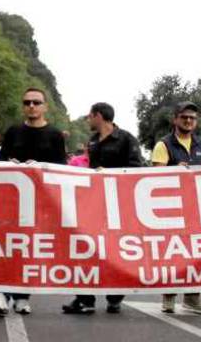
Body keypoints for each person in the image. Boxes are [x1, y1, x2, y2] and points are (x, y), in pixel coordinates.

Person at [0, 88, 66, 316]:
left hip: (39, 205)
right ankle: (0, 294)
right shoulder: (13, 132)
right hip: (9, 202)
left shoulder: (55, 135)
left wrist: (39, 167)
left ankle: (21, 296)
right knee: (5, 247)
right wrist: (8, 163)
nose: (31, 106)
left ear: (45, 107)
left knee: (27, 250)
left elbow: (62, 169)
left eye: (36, 102)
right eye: (27, 102)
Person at [62, 102, 143, 315]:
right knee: (88, 249)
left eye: (90, 116)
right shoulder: (92, 141)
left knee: (117, 252)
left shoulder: (126, 139)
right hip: (95, 204)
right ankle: (84, 299)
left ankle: (115, 296)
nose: (88, 120)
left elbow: (137, 169)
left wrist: (108, 173)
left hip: (120, 206)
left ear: (99, 116)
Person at [150, 101, 201, 315]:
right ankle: (169, 297)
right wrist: (173, 171)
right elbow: (154, 177)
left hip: (194, 209)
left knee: (195, 253)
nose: (188, 120)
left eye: (192, 118)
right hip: (169, 209)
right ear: (175, 119)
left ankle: (192, 297)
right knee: (172, 253)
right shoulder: (163, 145)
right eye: (184, 117)